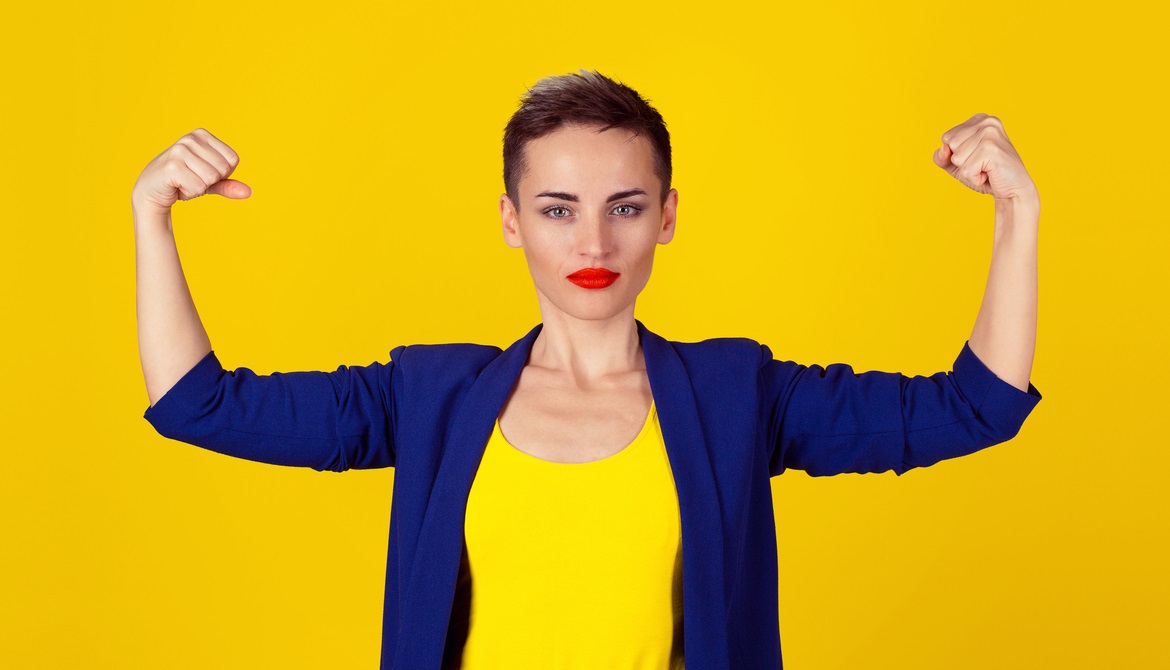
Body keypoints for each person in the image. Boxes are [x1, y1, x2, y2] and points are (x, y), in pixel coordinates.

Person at [133, 70, 1043, 670]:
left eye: (627, 206)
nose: (595, 242)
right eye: (560, 209)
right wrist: (151, 216)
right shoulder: (429, 398)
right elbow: (197, 405)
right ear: (511, 220)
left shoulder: (737, 395)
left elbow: (978, 408)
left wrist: (1017, 216)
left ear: (669, 215)